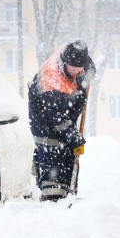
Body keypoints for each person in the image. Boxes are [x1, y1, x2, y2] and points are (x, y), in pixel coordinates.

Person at [28, 40, 95, 201]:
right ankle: (52, 201)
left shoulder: (73, 56)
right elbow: (58, 120)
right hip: (45, 124)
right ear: (65, 61)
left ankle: (67, 195)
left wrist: (89, 71)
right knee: (53, 170)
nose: (76, 71)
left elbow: (87, 65)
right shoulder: (52, 81)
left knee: (68, 157)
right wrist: (76, 138)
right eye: (73, 68)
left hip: (64, 120)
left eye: (80, 68)